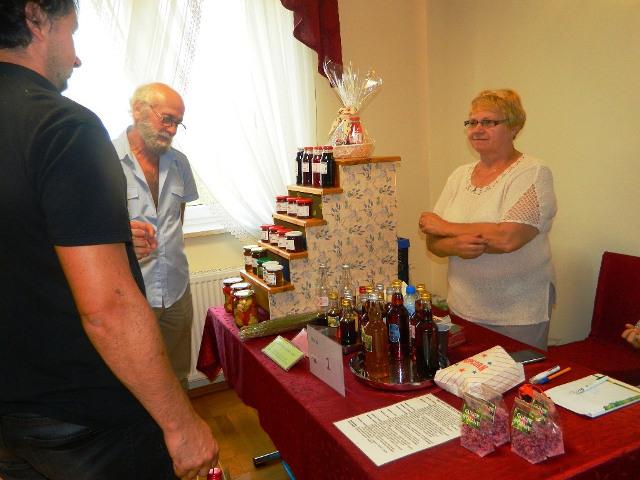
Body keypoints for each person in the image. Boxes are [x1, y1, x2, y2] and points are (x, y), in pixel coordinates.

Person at [0, 2, 218, 479]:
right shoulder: (66, 128)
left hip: (17, 403)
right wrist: (181, 425)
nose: (76, 57)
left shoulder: (180, 165)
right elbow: (108, 307)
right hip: (85, 417)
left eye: (177, 121)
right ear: (36, 18)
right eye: (72, 32)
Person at [419, 89, 557, 350]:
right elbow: (433, 240)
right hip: (463, 308)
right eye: (472, 122)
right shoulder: (459, 175)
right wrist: (455, 246)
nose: (477, 129)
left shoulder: (533, 172)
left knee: (516, 375)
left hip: (518, 314)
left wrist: (447, 227)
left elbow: (508, 238)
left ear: (514, 127)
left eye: (488, 122)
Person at [113, 82, 197, 389]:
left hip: (177, 291)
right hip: (131, 295)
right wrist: (123, 237)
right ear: (138, 110)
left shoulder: (180, 163)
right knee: (136, 383)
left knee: (177, 376)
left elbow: (177, 220)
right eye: (167, 119)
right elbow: (86, 232)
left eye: (177, 123)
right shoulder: (104, 161)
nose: (172, 130)